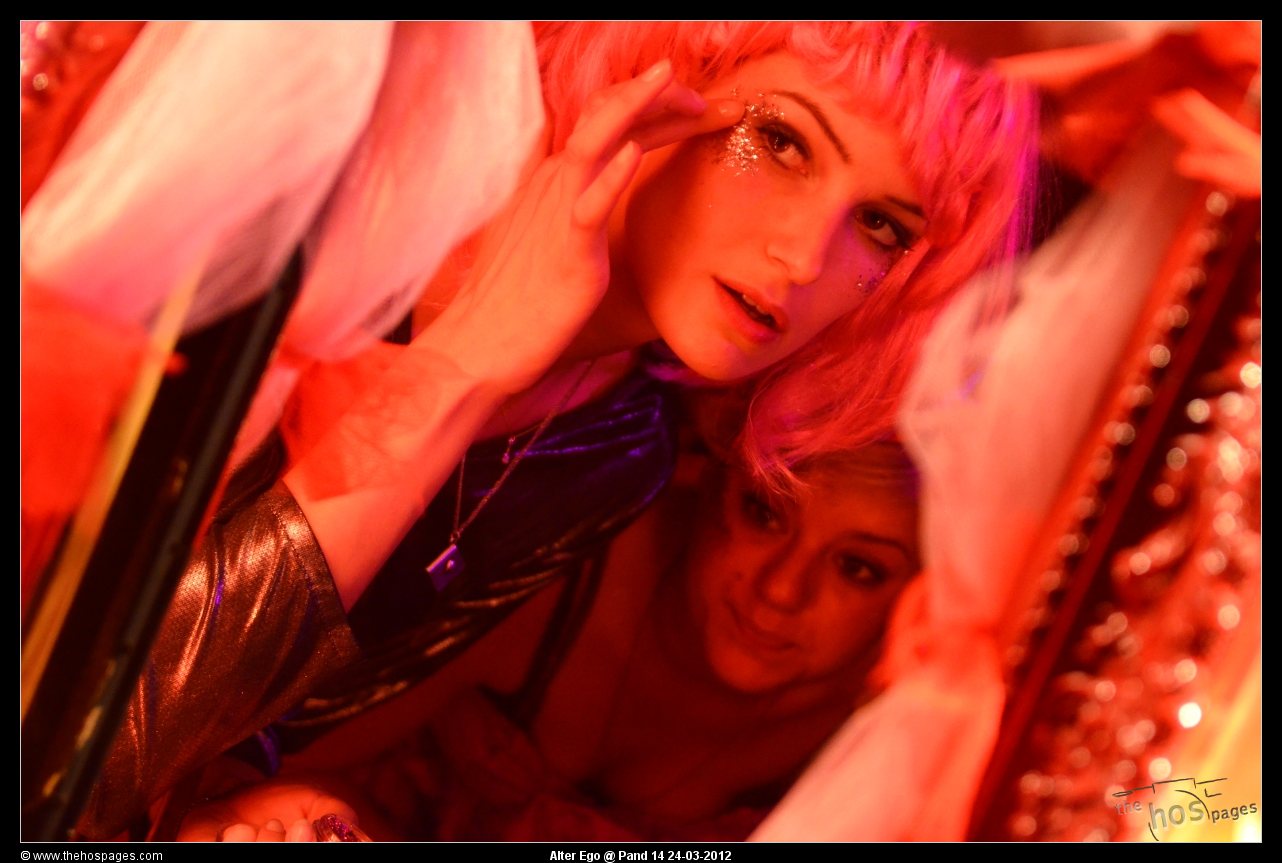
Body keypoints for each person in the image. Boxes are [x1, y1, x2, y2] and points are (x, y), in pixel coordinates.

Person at [40, 21, 1037, 837]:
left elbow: (207, 732)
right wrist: (464, 367)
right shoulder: (375, 184)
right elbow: (55, 744)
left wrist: (245, 802)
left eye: (882, 225)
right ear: (663, 72)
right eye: (781, 141)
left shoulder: (613, 451)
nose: (805, 254)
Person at [177, 440, 923, 841]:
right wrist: (320, 823)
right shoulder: (572, 559)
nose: (782, 589)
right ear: (713, 471)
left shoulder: (905, 749)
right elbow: (276, 765)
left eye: (858, 567)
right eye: (764, 512)